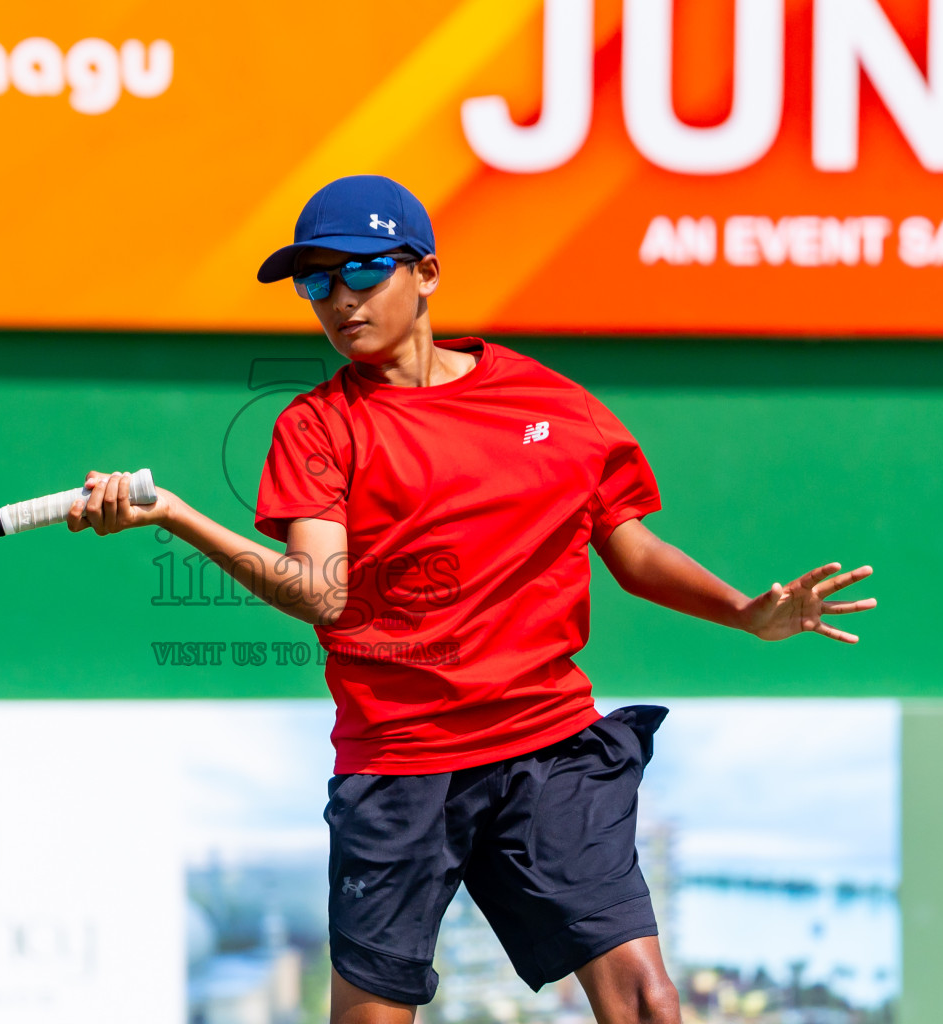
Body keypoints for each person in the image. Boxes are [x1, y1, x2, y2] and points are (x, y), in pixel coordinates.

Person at [67, 175, 876, 1024]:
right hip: (399, 765)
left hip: (549, 747)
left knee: (648, 999)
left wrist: (746, 612)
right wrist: (176, 514)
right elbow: (319, 593)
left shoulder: (549, 405)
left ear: (426, 272)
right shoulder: (317, 425)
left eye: (363, 273)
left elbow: (631, 552)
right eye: (316, 283)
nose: (339, 301)